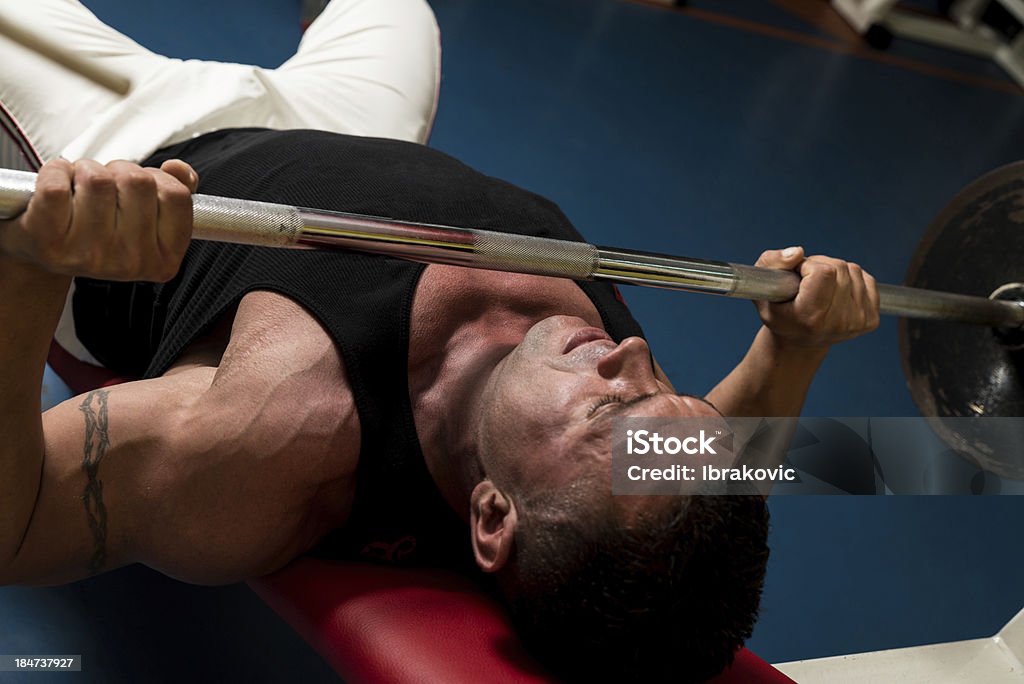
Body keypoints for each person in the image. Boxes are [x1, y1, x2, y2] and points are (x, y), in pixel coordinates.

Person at [0, 2, 880, 681]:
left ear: (493, 514)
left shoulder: (269, 441)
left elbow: (18, 523)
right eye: (662, 407)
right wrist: (795, 345)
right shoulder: (630, 448)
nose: (634, 359)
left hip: (126, 151)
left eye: (611, 410)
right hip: (345, 131)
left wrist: (36, 264)